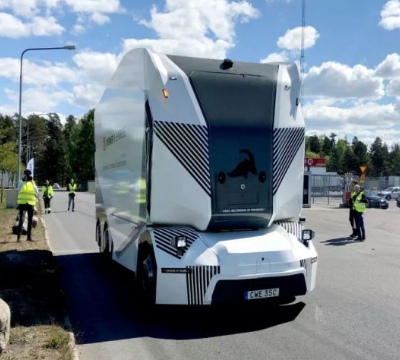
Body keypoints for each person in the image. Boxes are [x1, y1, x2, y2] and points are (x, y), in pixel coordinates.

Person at [16, 169, 38, 242]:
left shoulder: (32, 182)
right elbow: (18, 190)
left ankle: (29, 237)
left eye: (28, 175)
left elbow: (37, 191)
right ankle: (19, 237)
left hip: (30, 204)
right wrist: (23, 182)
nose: (27, 176)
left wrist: (31, 182)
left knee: (29, 220)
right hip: (22, 203)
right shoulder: (21, 182)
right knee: (21, 220)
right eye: (26, 175)